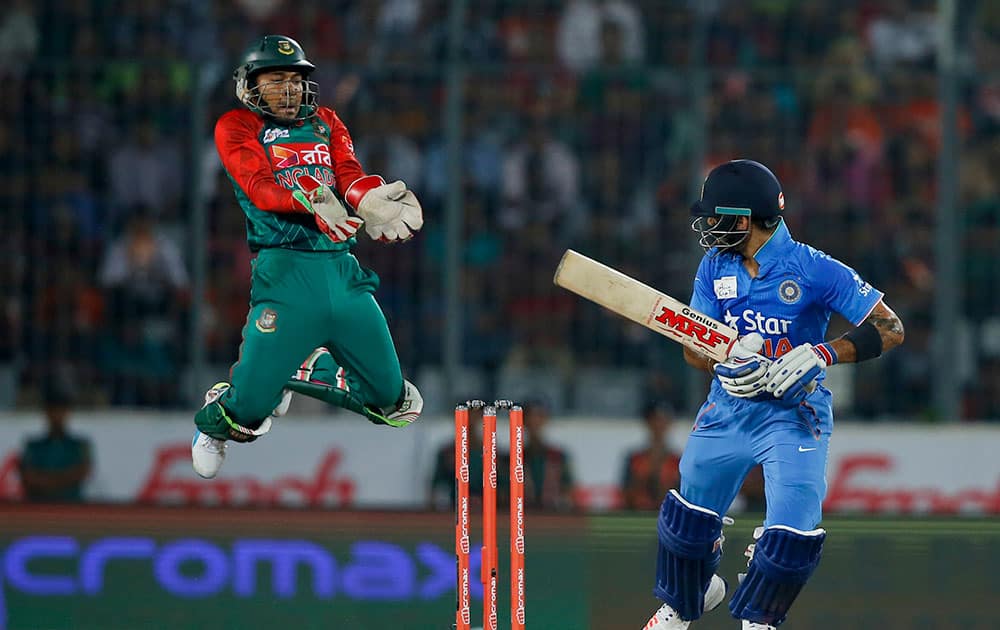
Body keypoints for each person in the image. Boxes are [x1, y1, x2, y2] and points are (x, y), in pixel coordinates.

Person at [643, 160, 904, 630]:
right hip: (729, 407)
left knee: (793, 532)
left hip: (793, 412)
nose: (707, 227)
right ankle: (689, 600)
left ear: (742, 219)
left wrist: (823, 353)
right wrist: (722, 355)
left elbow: (891, 328)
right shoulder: (714, 265)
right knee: (688, 518)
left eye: (715, 217)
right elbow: (691, 348)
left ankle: (760, 618)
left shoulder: (815, 268)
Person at [192, 35, 424, 479]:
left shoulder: (327, 120)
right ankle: (211, 424)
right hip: (285, 273)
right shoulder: (237, 127)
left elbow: (349, 175)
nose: (290, 89)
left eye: (296, 80)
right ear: (250, 85)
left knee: (395, 402)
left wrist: (369, 198)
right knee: (248, 409)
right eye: (277, 79)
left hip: (342, 269)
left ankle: (296, 366)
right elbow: (258, 188)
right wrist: (312, 199)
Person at [19, 376, 92, 502]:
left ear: (67, 413)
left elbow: (82, 473)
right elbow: (28, 476)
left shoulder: (80, 445)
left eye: (61, 410)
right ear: (46, 412)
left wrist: (44, 480)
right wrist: (64, 479)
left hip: (72, 508)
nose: (57, 415)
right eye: (53, 410)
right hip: (37, 508)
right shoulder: (32, 445)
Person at [621, 401, 680, 511]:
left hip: (669, 519)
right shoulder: (634, 459)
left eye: (663, 421)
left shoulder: (677, 461)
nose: (659, 425)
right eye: (655, 420)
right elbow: (625, 494)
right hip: (638, 516)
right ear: (648, 423)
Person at [520, 399, 576, 511]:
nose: (534, 421)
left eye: (539, 416)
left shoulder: (558, 457)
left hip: (552, 518)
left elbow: (568, 492)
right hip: (519, 516)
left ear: (546, 419)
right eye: (530, 416)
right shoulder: (511, 458)